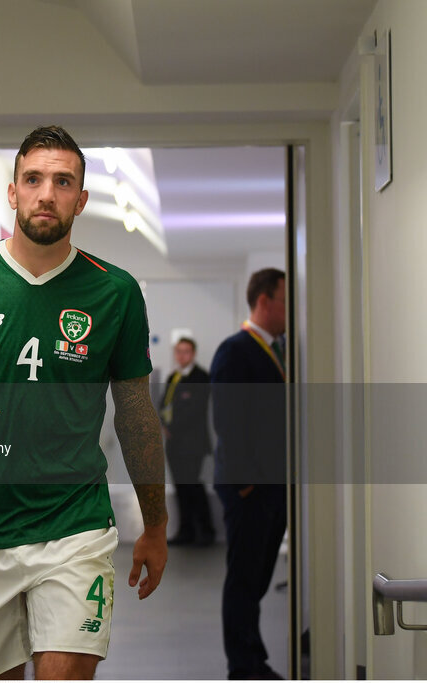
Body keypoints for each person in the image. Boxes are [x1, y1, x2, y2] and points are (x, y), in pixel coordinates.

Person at [0, 126, 168, 681]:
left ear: (81, 200)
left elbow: (137, 417)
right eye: (34, 179)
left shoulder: (115, 292)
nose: (47, 194)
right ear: (13, 191)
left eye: (63, 182)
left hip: (75, 527)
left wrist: (155, 524)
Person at [210, 268, 287, 680]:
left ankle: (254, 656)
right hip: (249, 489)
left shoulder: (277, 350)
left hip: (272, 487)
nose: (289, 310)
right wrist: (245, 483)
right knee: (243, 579)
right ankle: (242, 666)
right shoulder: (236, 350)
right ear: (263, 302)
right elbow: (228, 420)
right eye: (285, 301)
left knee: (256, 579)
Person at [160, 337, 215, 546]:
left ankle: (206, 531)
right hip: (174, 443)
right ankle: (186, 531)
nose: (182, 356)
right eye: (179, 351)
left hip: (192, 443)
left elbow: (195, 409)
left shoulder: (200, 377)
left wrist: (172, 427)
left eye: (186, 351)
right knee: (181, 487)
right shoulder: (173, 377)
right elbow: (164, 404)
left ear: (193, 354)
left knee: (192, 485)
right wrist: (165, 425)